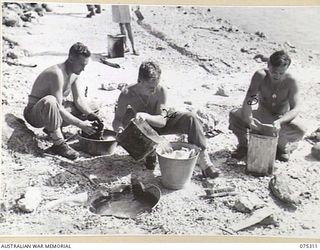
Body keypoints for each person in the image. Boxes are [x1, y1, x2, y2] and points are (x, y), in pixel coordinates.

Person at [112, 61, 220, 178]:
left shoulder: (161, 90)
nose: (153, 90)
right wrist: (120, 130)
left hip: (161, 117)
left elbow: (162, 121)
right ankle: (150, 154)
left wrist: (146, 116)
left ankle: (205, 162)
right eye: (150, 87)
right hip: (142, 128)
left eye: (156, 86)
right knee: (129, 118)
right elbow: (117, 120)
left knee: (190, 118)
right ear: (139, 81)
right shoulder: (127, 93)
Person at [23, 42, 102, 160]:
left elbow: (79, 100)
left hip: (53, 111)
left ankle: (53, 129)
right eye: (81, 64)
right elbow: (58, 107)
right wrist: (81, 124)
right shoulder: (57, 73)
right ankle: (58, 144)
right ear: (71, 59)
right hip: (35, 114)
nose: (84, 69)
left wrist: (91, 115)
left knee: (93, 106)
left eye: (85, 65)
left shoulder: (74, 74)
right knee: (50, 101)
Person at [229, 50, 305, 162]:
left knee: (300, 130)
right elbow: (250, 99)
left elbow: (296, 108)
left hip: (280, 118)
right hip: (261, 115)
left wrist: (280, 121)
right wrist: (249, 117)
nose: (277, 76)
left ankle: (282, 147)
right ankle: (243, 146)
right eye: (274, 72)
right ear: (268, 65)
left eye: (281, 73)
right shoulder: (260, 76)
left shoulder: (291, 81)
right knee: (235, 115)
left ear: (287, 69)